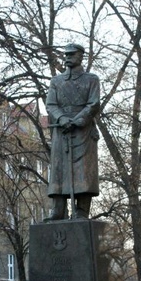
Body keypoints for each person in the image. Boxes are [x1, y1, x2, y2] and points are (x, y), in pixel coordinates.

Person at [44, 43, 101, 221]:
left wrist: (77, 121)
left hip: (83, 130)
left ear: (80, 56)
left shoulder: (91, 79)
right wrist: (61, 119)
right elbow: (51, 104)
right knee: (59, 169)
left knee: (84, 170)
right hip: (62, 130)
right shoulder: (56, 81)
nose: (67, 57)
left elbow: (94, 103)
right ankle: (58, 209)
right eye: (66, 54)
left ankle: (82, 210)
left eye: (72, 54)